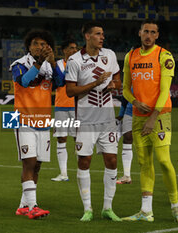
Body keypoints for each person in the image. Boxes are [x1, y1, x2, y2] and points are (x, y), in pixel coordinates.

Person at [122, 20, 178, 223]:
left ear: (157, 35)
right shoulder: (130, 56)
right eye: (145, 31)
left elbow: (165, 90)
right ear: (139, 33)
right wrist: (134, 101)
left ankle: (176, 207)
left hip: (160, 115)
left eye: (153, 32)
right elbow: (125, 88)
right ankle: (145, 211)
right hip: (138, 116)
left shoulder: (164, 56)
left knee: (163, 161)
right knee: (144, 163)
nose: (148, 35)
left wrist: (153, 117)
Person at [65, 21, 122, 222]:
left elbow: (118, 79)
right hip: (86, 121)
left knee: (112, 160)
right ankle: (87, 209)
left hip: (107, 120)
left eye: (103, 33)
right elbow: (70, 91)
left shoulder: (110, 55)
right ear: (87, 36)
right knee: (84, 161)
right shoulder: (75, 60)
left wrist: (113, 85)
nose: (102, 37)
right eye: (98, 34)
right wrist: (96, 83)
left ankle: (108, 208)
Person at [10, 29, 65, 219]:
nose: (39, 47)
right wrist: (40, 62)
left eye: (43, 44)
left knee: (37, 165)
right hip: (23, 119)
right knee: (29, 162)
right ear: (28, 46)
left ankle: (23, 205)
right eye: (35, 44)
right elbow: (24, 82)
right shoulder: (18, 64)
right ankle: (33, 207)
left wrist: (53, 62)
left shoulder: (51, 67)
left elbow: (61, 83)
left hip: (43, 121)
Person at [51, 39, 78, 182]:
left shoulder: (80, 64)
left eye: (75, 48)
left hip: (76, 107)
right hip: (61, 106)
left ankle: (82, 172)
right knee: (61, 139)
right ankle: (63, 173)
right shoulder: (58, 65)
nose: (74, 50)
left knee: (79, 139)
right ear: (65, 50)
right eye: (71, 48)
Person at [116, 95, 133, 184]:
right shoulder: (131, 80)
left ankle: (147, 176)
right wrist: (121, 114)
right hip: (130, 112)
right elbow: (125, 97)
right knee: (127, 139)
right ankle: (127, 176)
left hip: (148, 113)